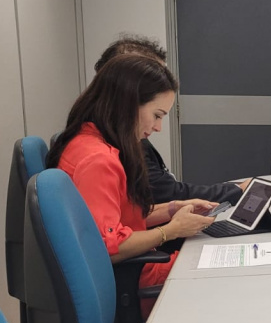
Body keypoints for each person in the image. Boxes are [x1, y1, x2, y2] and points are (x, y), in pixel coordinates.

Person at [46, 54, 216, 302]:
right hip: (132, 280)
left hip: (129, 272)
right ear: (128, 104)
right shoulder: (98, 161)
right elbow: (109, 246)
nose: (158, 127)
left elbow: (114, 219)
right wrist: (170, 231)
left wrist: (172, 209)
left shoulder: (84, 140)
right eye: (157, 115)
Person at [94, 34, 248, 204]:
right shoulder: (100, 155)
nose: (158, 127)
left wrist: (173, 210)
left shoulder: (123, 135)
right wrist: (234, 191)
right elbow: (165, 194)